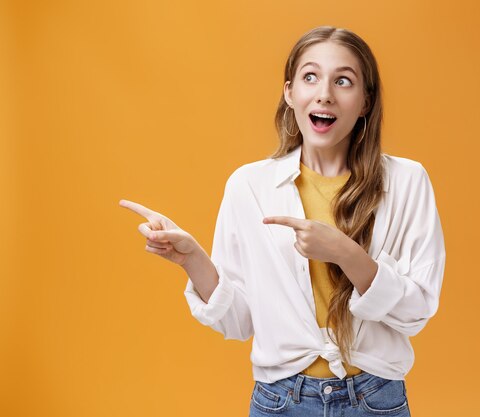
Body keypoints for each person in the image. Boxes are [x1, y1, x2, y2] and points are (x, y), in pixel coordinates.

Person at [120, 25, 445, 417]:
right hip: (281, 401)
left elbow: (416, 311)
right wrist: (191, 258)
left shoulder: (407, 182)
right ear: (290, 92)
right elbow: (239, 321)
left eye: (343, 81)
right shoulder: (249, 186)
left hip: (374, 400)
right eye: (311, 77)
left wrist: (345, 253)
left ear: (365, 102)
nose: (324, 92)